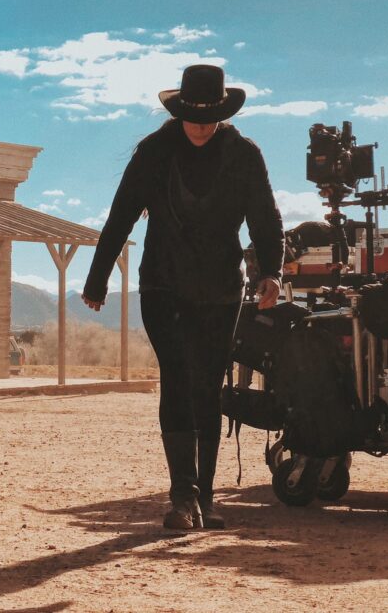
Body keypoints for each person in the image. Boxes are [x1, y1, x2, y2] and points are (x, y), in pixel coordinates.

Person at [81, 64, 284, 530]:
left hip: (220, 288)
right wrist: (97, 280)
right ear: (179, 112)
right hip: (163, 283)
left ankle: (205, 498)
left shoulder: (244, 154)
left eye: (208, 117)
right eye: (191, 115)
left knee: (207, 386)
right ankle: (181, 498)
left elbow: (265, 218)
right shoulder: (155, 151)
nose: (198, 125)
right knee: (177, 376)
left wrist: (270, 272)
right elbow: (121, 215)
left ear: (221, 113)